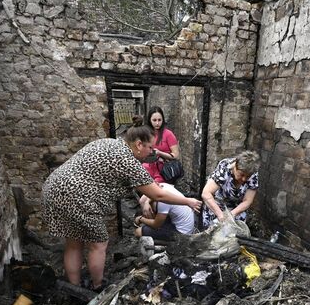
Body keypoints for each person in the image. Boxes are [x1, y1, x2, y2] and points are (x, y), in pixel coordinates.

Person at [42, 117, 201, 290]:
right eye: (150, 147)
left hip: (54, 187)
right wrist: (187, 201)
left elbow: (151, 188)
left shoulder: (111, 143)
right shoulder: (128, 161)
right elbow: (159, 194)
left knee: (74, 242)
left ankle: (73, 287)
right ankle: (98, 286)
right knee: (99, 243)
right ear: (139, 144)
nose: (152, 152)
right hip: (77, 196)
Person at [200, 151, 260, 229]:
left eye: (247, 176)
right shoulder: (224, 167)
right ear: (235, 166)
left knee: (233, 237)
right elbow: (206, 193)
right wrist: (221, 216)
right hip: (216, 207)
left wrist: (230, 215)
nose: (244, 179)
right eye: (241, 174)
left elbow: (247, 201)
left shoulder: (253, 173)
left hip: (236, 210)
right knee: (211, 235)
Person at [142, 106, 180, 183]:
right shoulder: (146, 133)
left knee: (154, 189)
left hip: (164, 169)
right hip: (148, 166)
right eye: (154, 120)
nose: (157, 123)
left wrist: (160, 153)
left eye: (159, 120)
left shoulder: (168, 134)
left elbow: (176, 155)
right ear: (149, 120)